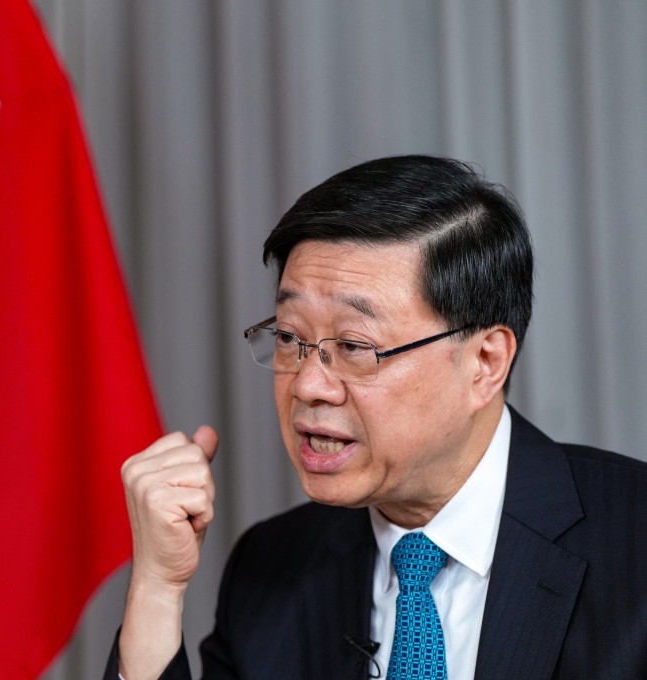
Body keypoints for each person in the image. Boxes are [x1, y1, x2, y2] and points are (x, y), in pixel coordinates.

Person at [103, 155, 647, 680]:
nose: (308, 385)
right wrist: (157, 585)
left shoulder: (632, 541)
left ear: (485, 362)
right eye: (291, 338)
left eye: (356, 345)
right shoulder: (270, 569)